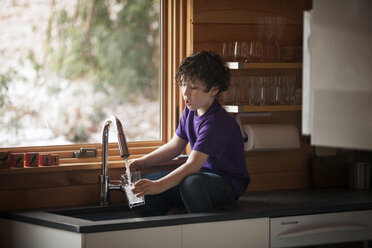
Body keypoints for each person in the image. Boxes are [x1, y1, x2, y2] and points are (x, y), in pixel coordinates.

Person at [129, 50, 250, 215]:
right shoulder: (191, 110)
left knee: (190, 184)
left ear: (214, 90)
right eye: (183, 84)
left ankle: (200, 228)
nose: (185, 92)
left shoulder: (217, 123)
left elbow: (192, 165)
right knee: (146, 184)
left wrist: (158, 186)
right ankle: (166, 225)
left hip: (226, 184)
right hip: (198, 177)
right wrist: (143, 162)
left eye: (193, 87)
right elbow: (175, 146)